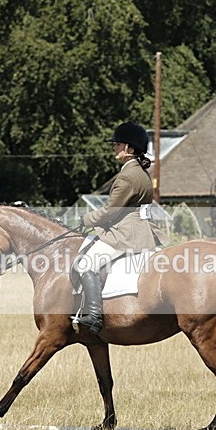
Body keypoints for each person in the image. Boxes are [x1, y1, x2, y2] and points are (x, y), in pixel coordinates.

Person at [72, 121, 167, 333]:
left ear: (129, 148)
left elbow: (110, 211)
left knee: (85, 263)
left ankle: (94, 316)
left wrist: (85, 219)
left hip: (125, 235)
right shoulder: (141, 173)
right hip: (141, 229)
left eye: (117, 144)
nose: (114, 148)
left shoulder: (127, 176)